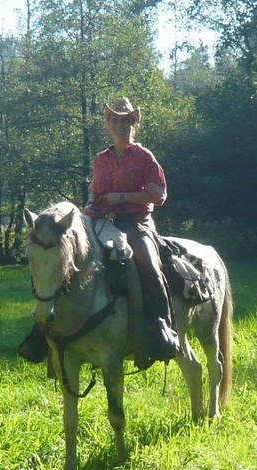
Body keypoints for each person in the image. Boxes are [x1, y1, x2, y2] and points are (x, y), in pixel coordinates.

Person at [87, 97, 180, 368]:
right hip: (105, 221)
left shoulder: (144, 157)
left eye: (125, 119)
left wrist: (123, 197)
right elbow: (95, 189)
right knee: (73, 257)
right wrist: (92, 202)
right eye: (114, 119)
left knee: (149, 266)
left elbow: (159, 194)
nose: (120, 124)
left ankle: (163, 326)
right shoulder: (101, 159)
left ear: (133, 123)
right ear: (107, 125)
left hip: (137, 222)